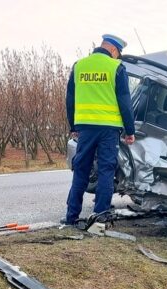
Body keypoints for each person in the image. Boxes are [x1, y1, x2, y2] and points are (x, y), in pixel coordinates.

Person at [64, 34, 135, 225]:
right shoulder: (116, 68)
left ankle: (71, 217)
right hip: (109, 130)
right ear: (113, 49)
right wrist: (130, 130)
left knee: (81, 170)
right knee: (106, 171)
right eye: (118, 53)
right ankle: (100, 217)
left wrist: (74, 126)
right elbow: (125, 102)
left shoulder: (79, 66)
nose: (118, 57)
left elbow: (70, 98)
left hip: (85, 128)